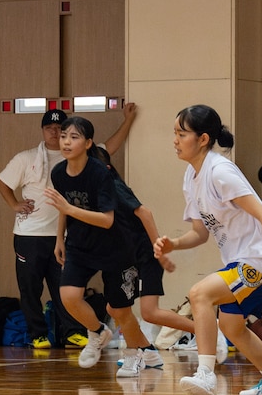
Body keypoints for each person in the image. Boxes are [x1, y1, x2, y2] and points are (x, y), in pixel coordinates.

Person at [154, 105, 262, 395]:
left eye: (181, 134)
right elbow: (200, 233)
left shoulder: (220, 171)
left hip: (261, 260)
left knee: (199, 294)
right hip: (240, 260)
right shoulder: (192, 176)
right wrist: (174, 243)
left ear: (202, 139)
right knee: (232, 327)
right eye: (174, 133)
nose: (174, 140)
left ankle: (205, 375)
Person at [41, 116, 152, 376]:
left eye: (74, 137)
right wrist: (60, 238)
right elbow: (63, 209)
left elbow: (106, 220)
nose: (66, 142)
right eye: (64, 136)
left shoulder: (101, 173)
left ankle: (134, 354)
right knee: (68, 296)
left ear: (89, 143)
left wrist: (69, 208)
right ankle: (98, 331)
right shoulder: (58, 172)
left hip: (116, 248)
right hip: (80, 245)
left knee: (120, 310)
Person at [89, 145, 218, 368]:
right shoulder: (94, 193)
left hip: (146, 254)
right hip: (125, 257)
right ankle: (146, 350)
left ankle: (211, 329)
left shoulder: (112, 185)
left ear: (105, 168)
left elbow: (145, 213)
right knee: (114, 308)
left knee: (149, 312)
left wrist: (158, 248)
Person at [0, 109, 92, 350]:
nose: (55, 131)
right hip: (29, 235)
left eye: (60, 128)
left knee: (65, 286)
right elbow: (2, 182)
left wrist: (127, 120)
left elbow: (106, 148)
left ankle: (72, 332)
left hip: (64, 235)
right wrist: (14, 204)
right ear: (43, 130)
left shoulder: (75, 155)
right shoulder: (26, 158)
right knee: (30, 287)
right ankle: (38, 334)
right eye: (50, 127)